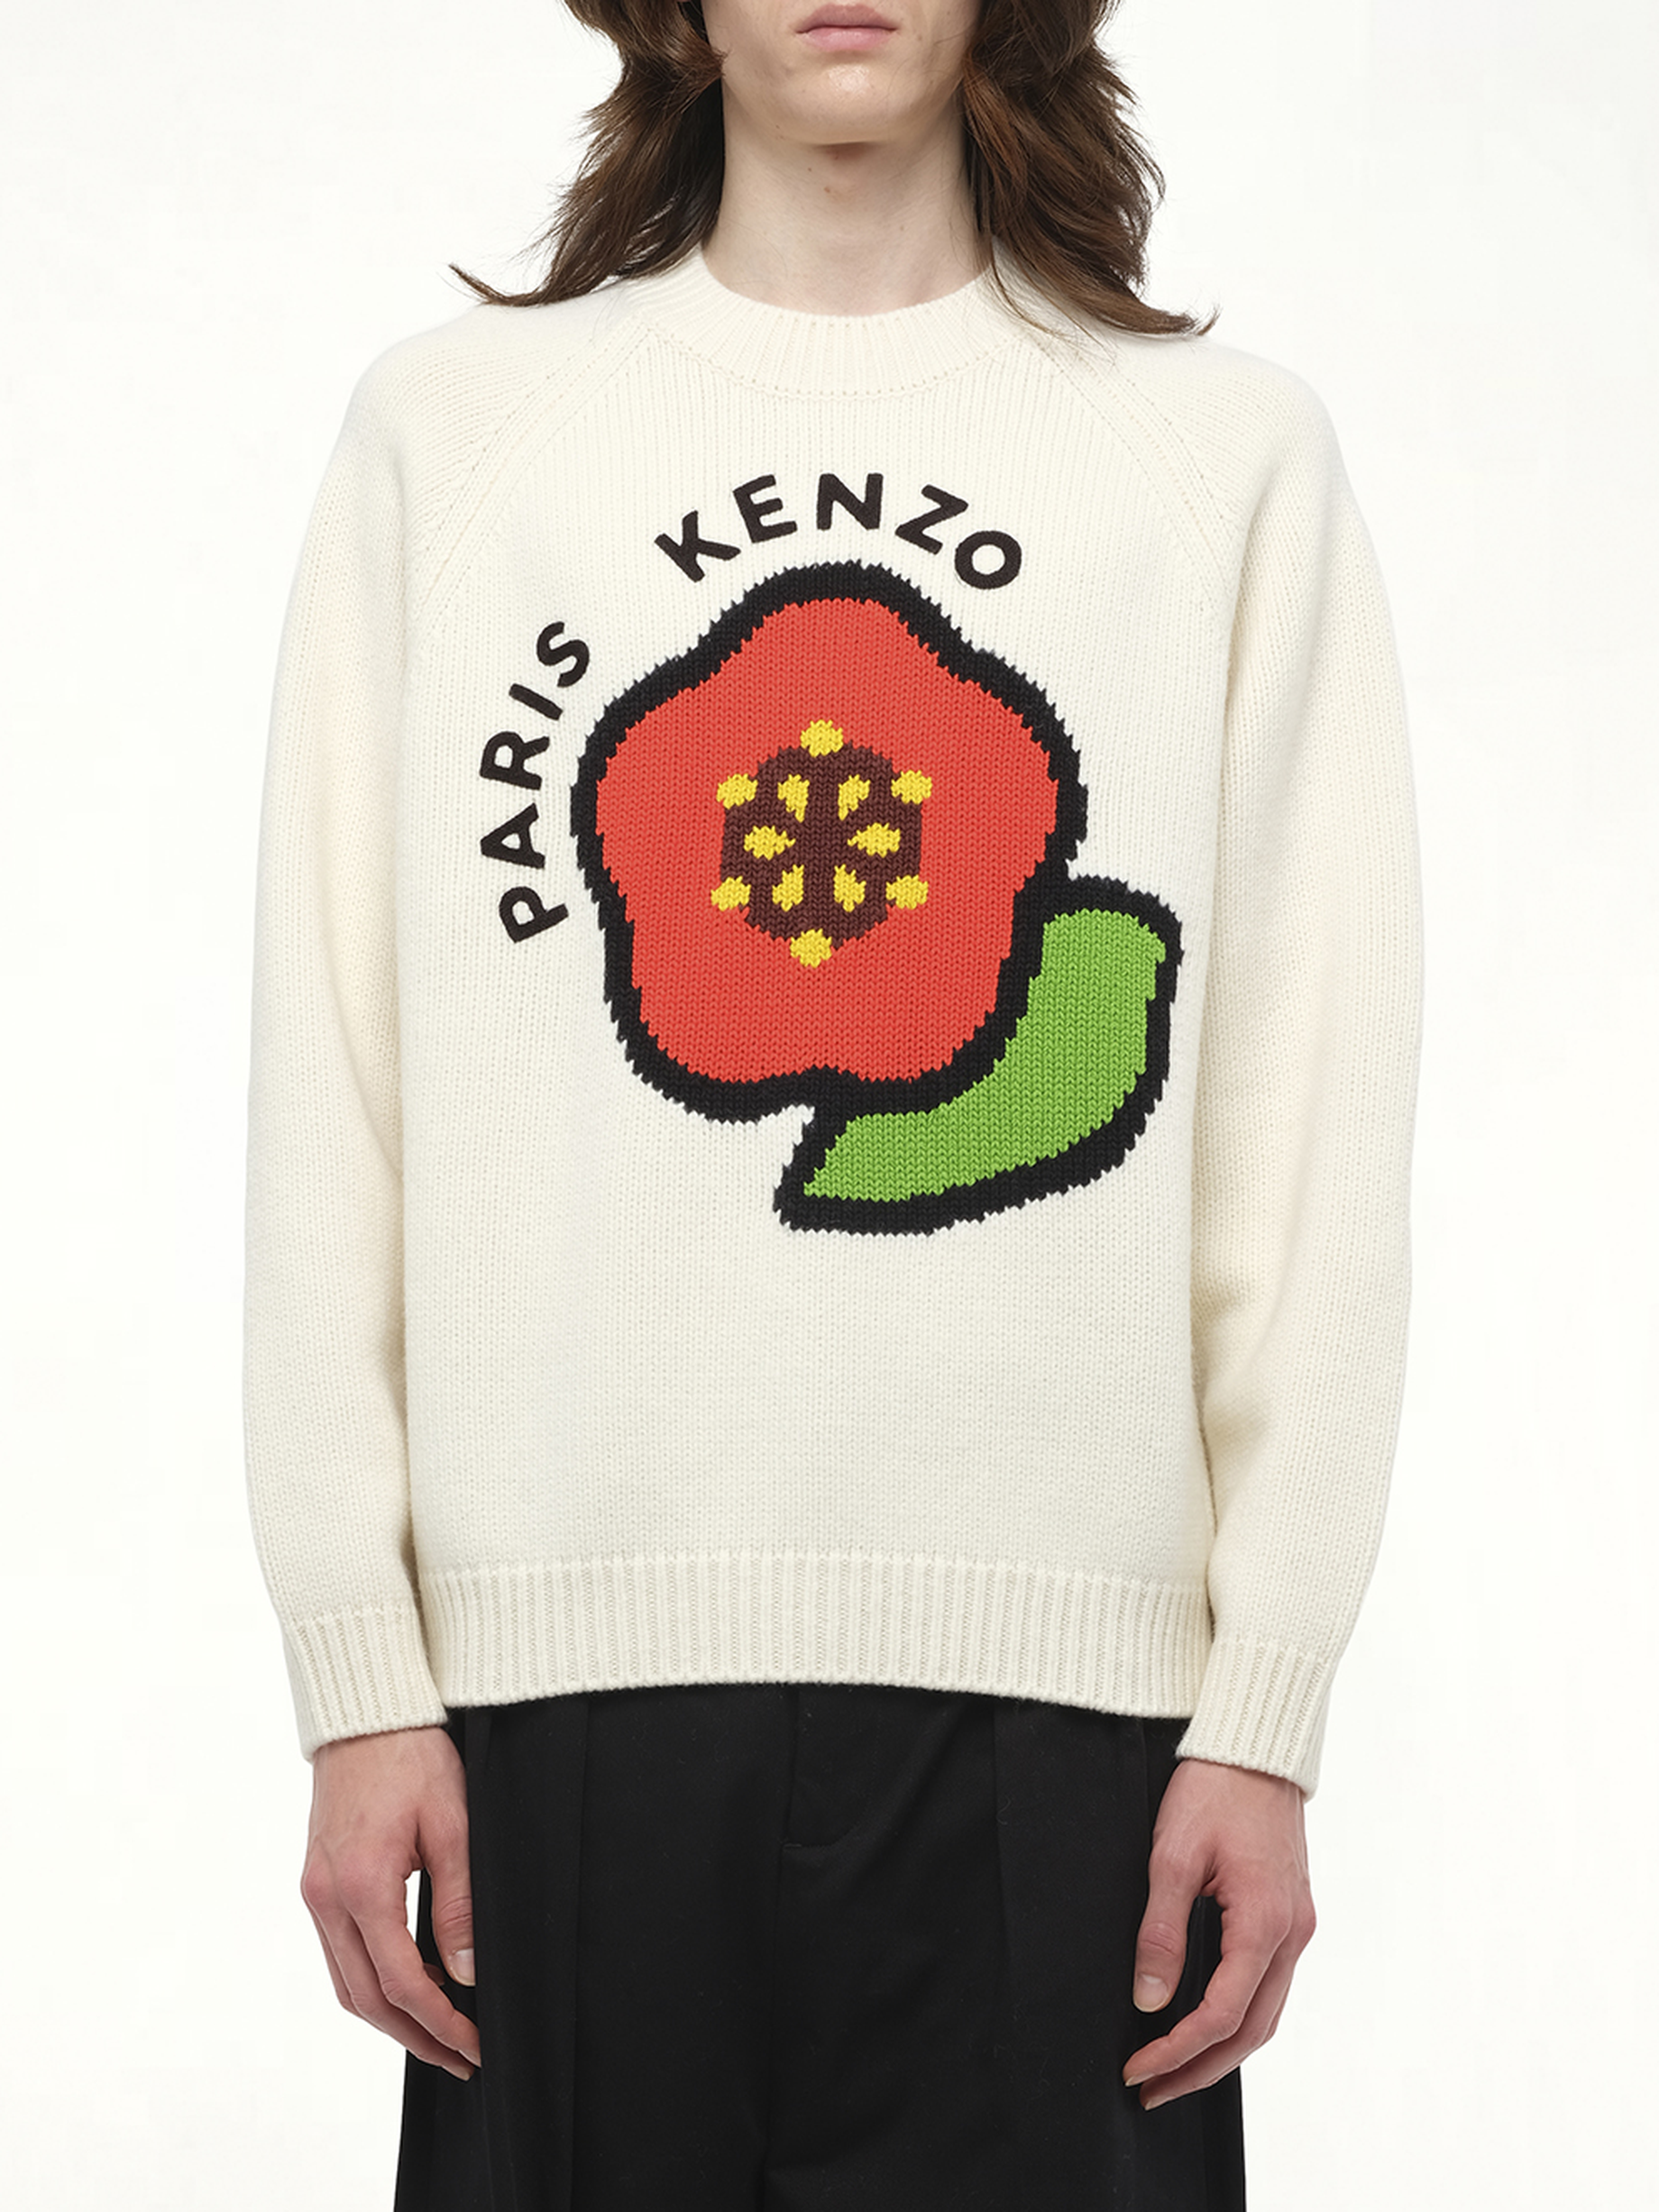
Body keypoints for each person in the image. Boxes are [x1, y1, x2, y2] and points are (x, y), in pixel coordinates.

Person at [243, 3, 1421, 2206]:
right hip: (553, 1698)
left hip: (1071, 1726)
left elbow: (1306, 1123)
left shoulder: (1221, 459)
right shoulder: (454, 439)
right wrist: (357, 1667)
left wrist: (1263, 1707)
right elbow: (336, 1074)